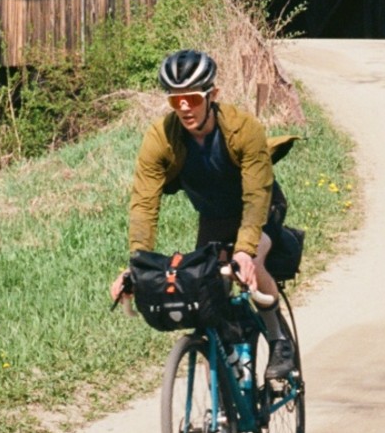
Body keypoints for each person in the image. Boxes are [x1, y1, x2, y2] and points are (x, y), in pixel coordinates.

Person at [110, 49, 296, 381]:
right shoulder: (161, 138)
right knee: (203, 290)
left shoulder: (244, 129)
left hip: (262, 210)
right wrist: (137, 262)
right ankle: (223, 398)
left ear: (212, 95)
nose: (184, 106)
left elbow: (256, 196)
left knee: (250, 264)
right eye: (175, 99)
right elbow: (144, 202)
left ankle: (279, 339)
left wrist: (245, 251)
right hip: (213, 217)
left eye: (192, 98)